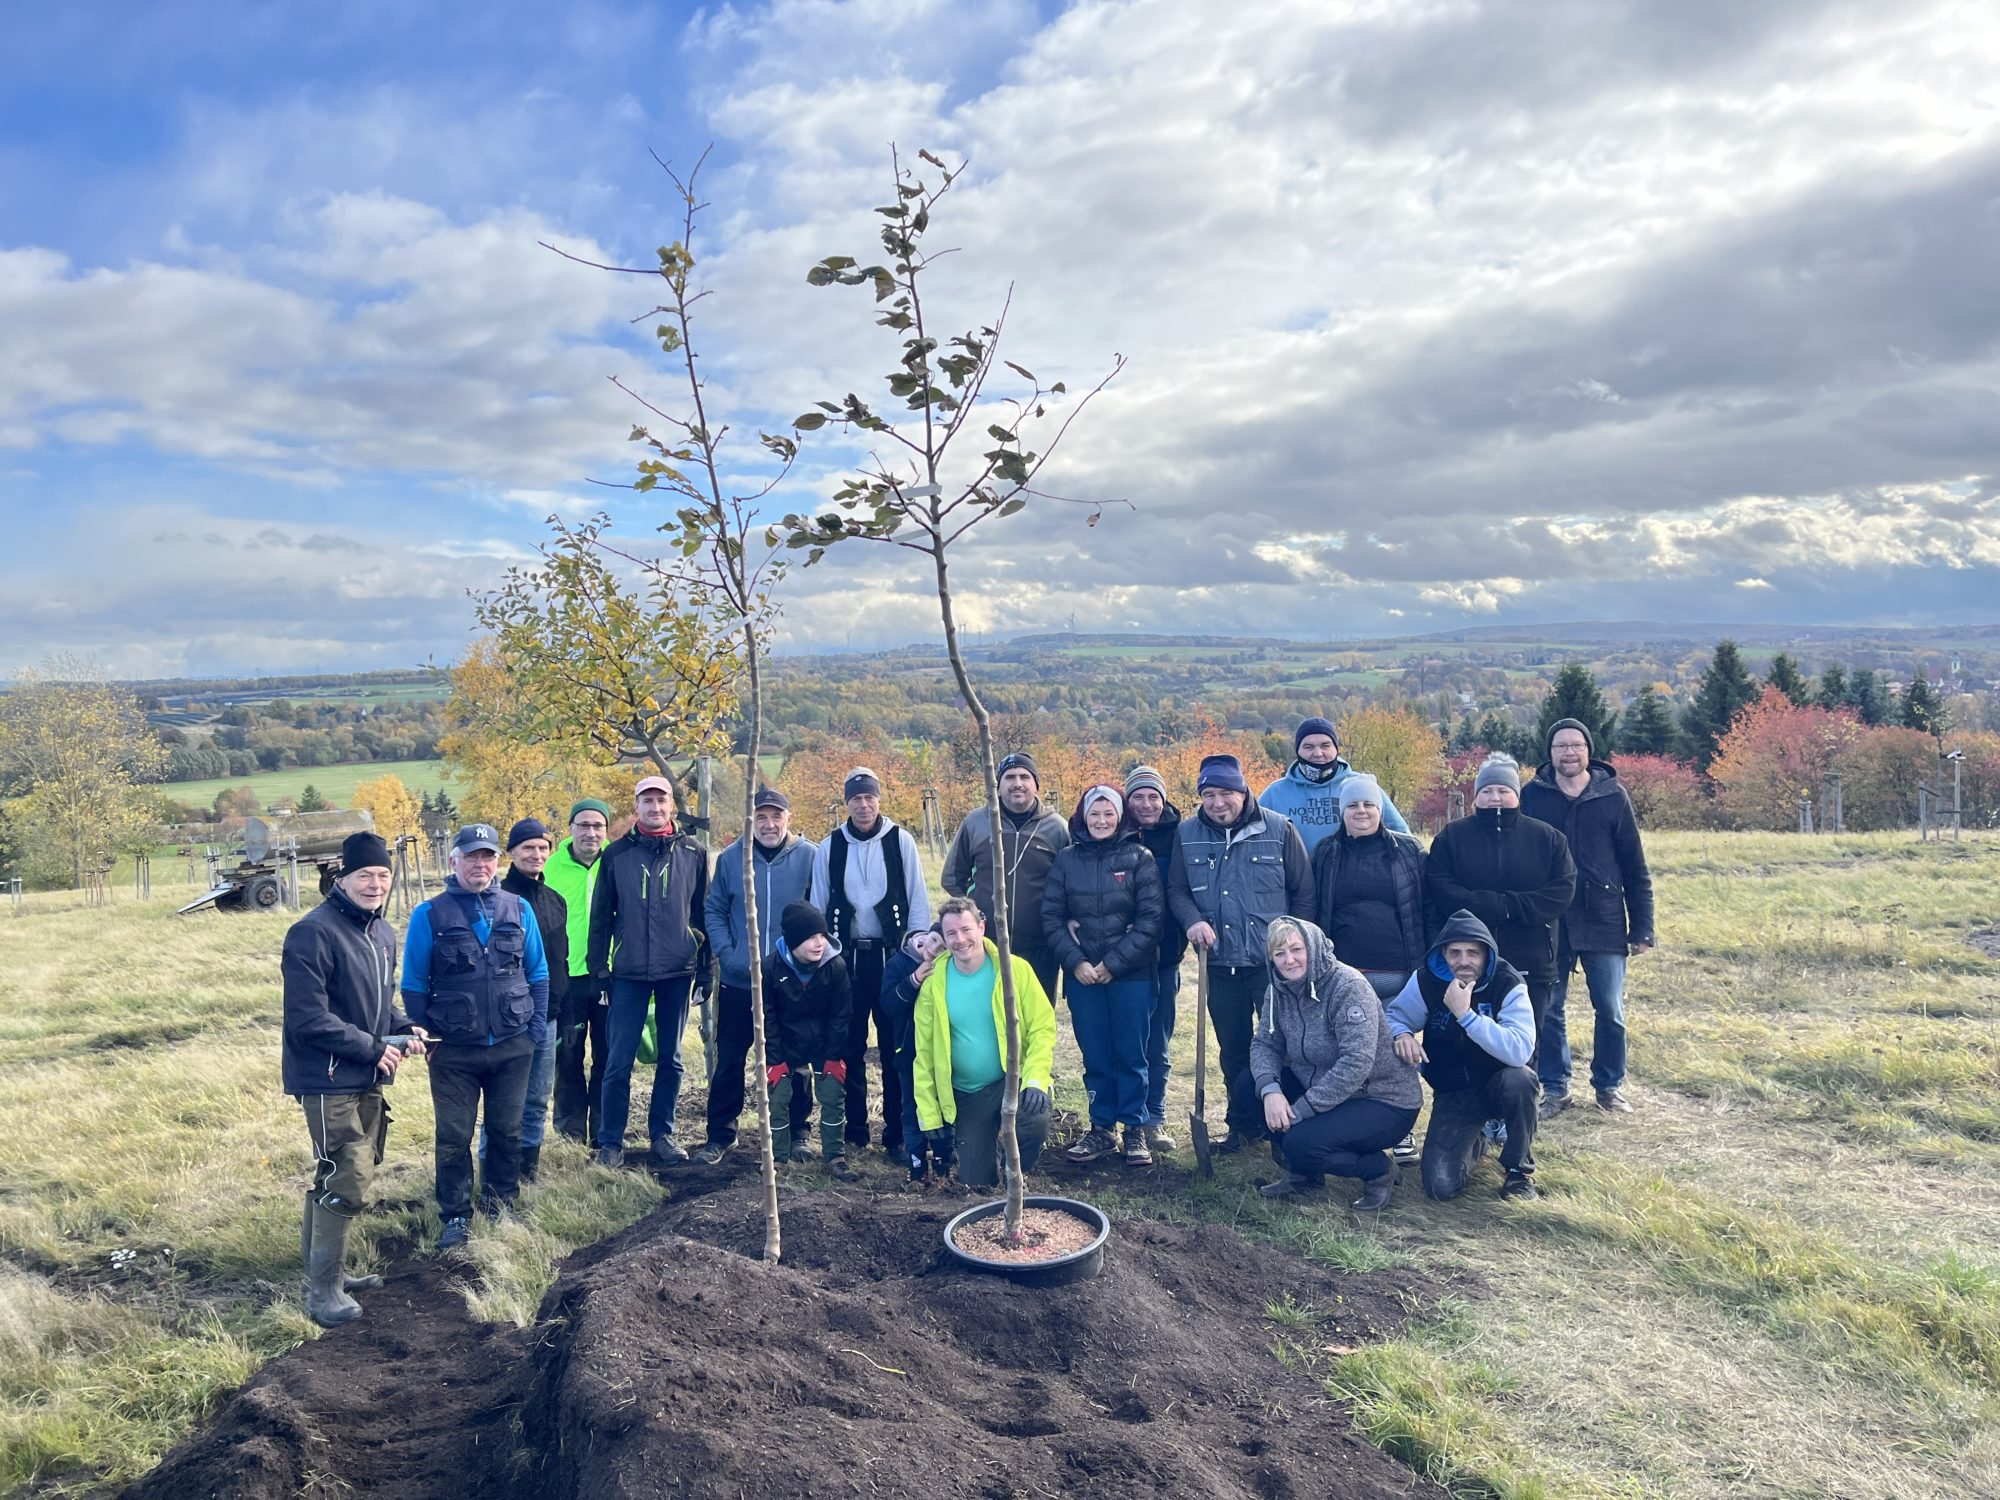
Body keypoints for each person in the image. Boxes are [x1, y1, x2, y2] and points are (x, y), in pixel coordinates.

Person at [281, 830, 426, 1326]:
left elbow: (378, 1004)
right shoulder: (312, 933)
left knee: (341, 1173)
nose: (375, 884)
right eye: (365, 875)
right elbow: (307, 1018)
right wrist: (375, 1047)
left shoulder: (380, 932)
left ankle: (329, 1276)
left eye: (384, 875)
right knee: (348, 1179)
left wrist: (404, 1028)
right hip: (327, 1077)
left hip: (366, 1073)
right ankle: (322, 1294)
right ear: (341, 878)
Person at [402, 824, 550, 1249]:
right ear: (454, 862)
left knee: (507, 1131)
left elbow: (537, 972)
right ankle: (455, 1215)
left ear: (497, 862)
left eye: (487, 857)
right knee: (453, 1136)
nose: (479, 865)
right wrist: (427, 1036)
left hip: (512, 1044)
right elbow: (413, 983)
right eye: (471, 857)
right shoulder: (429, 914)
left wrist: (534, 1030)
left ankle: (501, 1203)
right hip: (453, 1051)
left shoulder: (519, 908)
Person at [1168, 752, 1316, 1151]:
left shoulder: (1279, 829)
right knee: (1233, 1051)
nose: (1219, 803)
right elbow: (1177, 890)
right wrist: (1191, 921)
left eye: (1227, 793)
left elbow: (1304, 893)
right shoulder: (1187, 835)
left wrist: (1295, 951)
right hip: (1218, 966)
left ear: (1243, 789)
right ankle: (1243, 1126)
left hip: (1272, 968)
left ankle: (1289, 1128)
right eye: (1209, 794)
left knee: (1284, 1048)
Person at [1520, 718, 1656, 1117]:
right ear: (1550, 753)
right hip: (1550, 921)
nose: (1569, 753)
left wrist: (1643, 927)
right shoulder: (1533, 797)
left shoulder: (1612, 796)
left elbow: (1635, 866)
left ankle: (1609, 1086)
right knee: (1548, 1009)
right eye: (1561, 746)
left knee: (1610, 1008)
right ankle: (1556, 1088)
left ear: (1588, 750)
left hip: (1604, 919)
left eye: (1576, 745)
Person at [1249, 918, 1422, 1208]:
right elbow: (1265, 1043)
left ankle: (1378, 1170)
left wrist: (1300, 1111)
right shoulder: (1277, 990)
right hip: (1322, 1088)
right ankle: (1305, 1175)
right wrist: (1271, 1092)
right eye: (1280, 954)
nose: (1289, 960)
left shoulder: (1349, 986)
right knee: (1249, 1088)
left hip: (1381, 1098)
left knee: (1299, 1143)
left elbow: (1356, 1063)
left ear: (1313, 948)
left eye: (1296, 949)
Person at [588, 776, 710, 1169]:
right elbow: (601, 916)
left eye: (661, 801)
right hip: (628, 972)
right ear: (636, 806)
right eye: (647, 801)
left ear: (671, 804)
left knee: (671, 1058)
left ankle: (663, 1135)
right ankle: (611, 1142)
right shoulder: (617, 855)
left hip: (678, 968)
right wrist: (598, 969)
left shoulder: (694, 852)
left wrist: (706, 968)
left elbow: (703, 912)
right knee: (618, 1060)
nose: (654, 808)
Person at [1424, 754, 1576, 1071]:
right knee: (1466, 1039)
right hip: (1465, 964)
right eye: (1487, 790)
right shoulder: (1452, 837)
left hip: (1531, 962)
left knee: (1524, 1047)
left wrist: (1508, 908)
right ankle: (1473, 1112)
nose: (1495, 797)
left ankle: (1520, 1112)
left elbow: (1560, 892)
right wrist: (1491, 906)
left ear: (1516, 795)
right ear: (1476, 796)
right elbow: (1440, 888)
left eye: (1503, 790)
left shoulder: (1548, 839)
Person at [811, 767, 931, 1158]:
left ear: (879, 800)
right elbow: (818, 905)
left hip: (892, 959)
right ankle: (856, 1133)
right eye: (856, 799)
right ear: (846, 803)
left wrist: (913, 955)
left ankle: (897, 1134)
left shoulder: (901, 842)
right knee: (849, 1046)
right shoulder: (830, 846)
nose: (863, 806)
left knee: (897, 1046)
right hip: (845, 960)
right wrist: (826, 960)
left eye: (869, 798)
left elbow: (917, 902)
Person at [1041, 784, 1164, 1165]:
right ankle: (1101, 1129)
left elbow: (1151, 919)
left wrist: (1114, 964)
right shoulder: (1067, 859)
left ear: (1120, 816)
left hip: (1131, 976)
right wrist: (1076, 961)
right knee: (1095, 1054)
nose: (1101, 820)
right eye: (1094, 813)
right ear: (1082, 816)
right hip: (1083, 978)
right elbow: (1052, 916)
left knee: (1131, 1054)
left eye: (1108, 813)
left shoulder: (1139, 858)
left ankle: (1134, 1129)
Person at [1386, 910, 1542, 1200]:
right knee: (1439, 1187)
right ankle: (1478, 1137)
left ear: (1486, 955)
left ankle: (1518, 1173)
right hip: (1455, 1093)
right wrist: (1402, 1034)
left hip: (1502, 1083)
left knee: (1522, 1080)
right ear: (1442, 954)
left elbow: (1520, 1050)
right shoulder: (1426, 980)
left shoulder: (1507, 983)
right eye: (1454, 952)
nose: (1464, 961)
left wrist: (1466, 1016)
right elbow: (1394, 1016)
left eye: (1473, 952)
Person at [699, 786, 817, 1164]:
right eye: (761, 818)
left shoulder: (810, 857)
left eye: (775, 817)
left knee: (795, 1058)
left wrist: (804, 959)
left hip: (791, 980)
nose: (768, 825)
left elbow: (820, 913)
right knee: (730, 1056)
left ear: (788, 819)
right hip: (739, 980)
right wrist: (728, 954)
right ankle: (721, 1135)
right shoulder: (733, 859)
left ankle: (798, 1133)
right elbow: (714, 909)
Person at [911, 897, 1056, 1190]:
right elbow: (924, 1055)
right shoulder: (934, 983)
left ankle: (1014, 1168)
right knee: (977, 1185)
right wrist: (930, 1115)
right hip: (969, 1094)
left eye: (966, 929)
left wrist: (1036, 1078)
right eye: (951, 933)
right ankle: (989, 1165)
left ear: (981, 927)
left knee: (1035, 1117)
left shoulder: (1015, 969)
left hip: (1012, 1081)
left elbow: (1043, 1026)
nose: (960, 939)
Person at [941, 750, 1071, 998]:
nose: (1018, 783)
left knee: (1036, 1018)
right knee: (989, 1016)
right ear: (998, 786)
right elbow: (951, 878)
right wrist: (974, 913)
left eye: (1025, 776)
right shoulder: (977, 822)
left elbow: (1070, 885)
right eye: (1010, 777)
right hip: (986, 945)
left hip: (1040, 945)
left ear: (1036, 784)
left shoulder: (1057, 828)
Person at [490, 818, 567, 1182]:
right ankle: (495, 1172)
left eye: (542, 848)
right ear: (511, 853)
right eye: (528, 848)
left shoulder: (555, 901)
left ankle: (527, 1172)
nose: (536, 854)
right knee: (503, 1104)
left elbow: (559, 961)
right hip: (508, 1020)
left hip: (547, 1016)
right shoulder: (496, 900)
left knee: (536, 1100)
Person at [762, 901, 860, 1180]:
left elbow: (841, 1014)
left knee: (832, 1096)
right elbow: (768, 1018)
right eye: (810, 937)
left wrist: (833, 1056)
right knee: (778, 1098)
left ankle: (834, 1156)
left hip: (824, 1043)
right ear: (793, 940)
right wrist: (775, 1060)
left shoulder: (835, 966)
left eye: (822, 936)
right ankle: (777, 1158)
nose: (819, 943)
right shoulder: (770, 968)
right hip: (786, 1043)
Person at [1312, 773, 1429, 1001]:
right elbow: (1315, 908)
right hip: (1341, 974)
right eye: (1352, 805)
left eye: (1369, 804)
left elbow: (1428, 909)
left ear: (1380, 810)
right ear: (1342, 812)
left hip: (1397, 974)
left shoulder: (1409, 851)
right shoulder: (1326, 852)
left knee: (1393, 1037)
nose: (1361, 810)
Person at [1124, 765, 1185, 1151]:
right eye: (1138, 796)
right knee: (1128, 1041)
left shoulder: (1182, 835)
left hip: (1166, 955)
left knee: (1158, 1042)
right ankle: (1122, 1118)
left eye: (1153, 796)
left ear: (1163, 800)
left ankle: (1153, 1119)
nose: (1146, 804)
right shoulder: (1114, 831)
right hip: (1124, 959)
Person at [544, 798, 610, 1147]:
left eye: (597, 826)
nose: (590, 832)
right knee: (567, 1058)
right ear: (569, 828)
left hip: (608, 978)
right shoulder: (550, 868)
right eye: (583, 825)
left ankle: (604, 1132)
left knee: (607, 1057)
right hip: (565, 979)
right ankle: (570, 1135)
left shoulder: (616, 862)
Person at [1258, 716, 1410, 853]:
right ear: (1298, 750)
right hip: (1294, 882)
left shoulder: (1361, 786)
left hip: (1351, 880)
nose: (1318, 753)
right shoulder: (1275, 793)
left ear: (1336, 748)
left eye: (1325, 745)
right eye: (1308, 747)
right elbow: (1252, 838)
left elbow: (1401, 834)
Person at [880, 923, 948, 1181]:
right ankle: (916, 1165)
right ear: (924, 937)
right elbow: (888, 1004)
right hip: (908, 1049)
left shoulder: (951, 967)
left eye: (942, 948)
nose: (934, 951)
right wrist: (914, 981)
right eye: (932, 941)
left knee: (943, 1104)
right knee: (911, 1106)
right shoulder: (900, 963)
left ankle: (943, 1161)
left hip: (942, 1050)